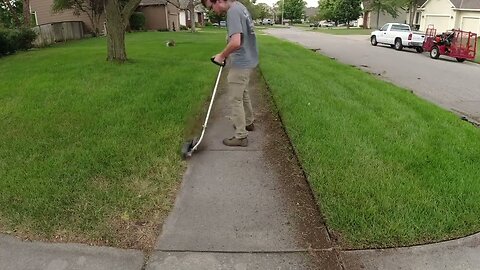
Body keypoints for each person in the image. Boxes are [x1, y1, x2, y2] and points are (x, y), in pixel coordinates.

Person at [201, 0, 259, 147]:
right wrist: (225, 54)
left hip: (241, 62)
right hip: (249, 59)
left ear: (218, 1)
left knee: (235, 99)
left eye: (212, 6)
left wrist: (221, 55)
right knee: (243, 93)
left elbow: (235, 42)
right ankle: (248, 122)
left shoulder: (233, 12)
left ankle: (241, 136)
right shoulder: (240, 7)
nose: (213, 10)